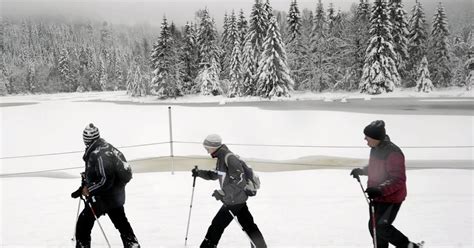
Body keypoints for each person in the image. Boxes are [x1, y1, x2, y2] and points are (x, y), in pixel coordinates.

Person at [350, 120, 423, 248]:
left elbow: (398, 179)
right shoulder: (376, 148)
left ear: (376, 137)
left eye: (367, 137)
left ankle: (410, 247)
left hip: (390, 198)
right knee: (374, 226)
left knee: (381, 226)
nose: (365, 139)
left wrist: (380, 190)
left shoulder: (393, 153)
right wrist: (362, 171)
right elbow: (377, 168)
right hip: (377, 195)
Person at [71, 123, 140, 248]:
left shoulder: (99, 153)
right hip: (116, 196)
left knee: (83, 225)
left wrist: (88, 189)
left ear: (86, 139)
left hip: (102, 198)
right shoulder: (106, 147)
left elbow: (105, 180)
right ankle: (133, 245)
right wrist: (87, 179)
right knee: (121, 223)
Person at [192, 134, 267, 248]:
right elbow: (216, 174)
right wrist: (199, 173)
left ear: (214, 146)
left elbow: (239, 180)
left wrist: (223, 192)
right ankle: (260, 246)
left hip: (234, 200)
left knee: (217, 225)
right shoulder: (221, 158)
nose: (207, 151)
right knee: (248, 225)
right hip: (236, 199)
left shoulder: (229, 158)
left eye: (207, 148)